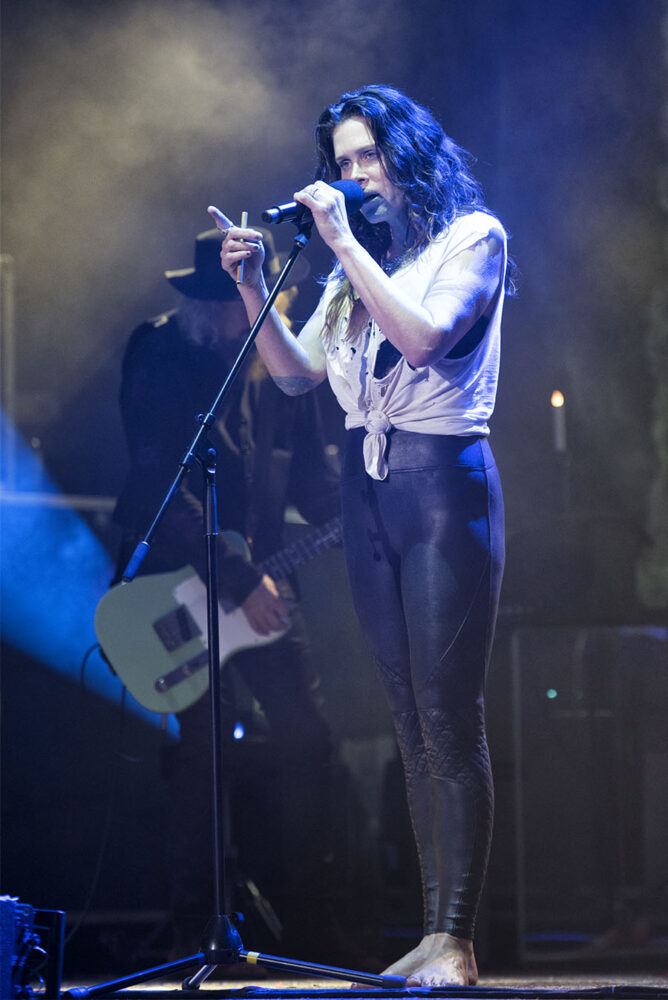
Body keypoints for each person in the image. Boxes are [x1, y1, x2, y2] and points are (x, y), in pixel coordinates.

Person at [209, 84, 509, 987]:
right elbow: (297, 374)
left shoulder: (474, 239)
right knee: (409, 718)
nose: (353, 175)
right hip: (369, 489)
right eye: (341, 163)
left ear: (408, 154)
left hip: (441, 486)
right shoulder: (356, 269)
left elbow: (424, 340)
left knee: (449, 714)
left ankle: (457, 939)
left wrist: (341, 242)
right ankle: (431, 931)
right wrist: (254, 285)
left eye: (367, 157)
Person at [112, 228, 345, 962]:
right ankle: (200, 928)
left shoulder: (281, 369)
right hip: (181, 582)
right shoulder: (161, 352)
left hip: (260, 581)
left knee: (307, 738)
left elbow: (313, 480)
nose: (245, 315)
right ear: (208, 305)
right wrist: (237, 579)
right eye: (233, 302)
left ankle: (313, 927)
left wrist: (369, 502)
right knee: (204, 751)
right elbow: (159, 479)